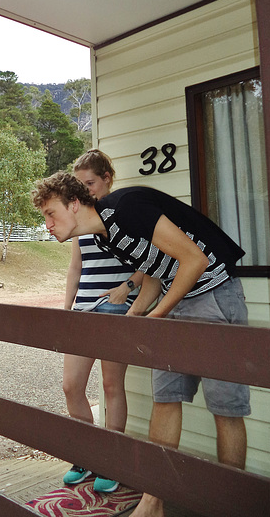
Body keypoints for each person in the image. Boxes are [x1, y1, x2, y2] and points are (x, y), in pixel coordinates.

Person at [32, 172, 250, 517]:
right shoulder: (105, 236)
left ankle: (231, 506)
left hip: (215, 294)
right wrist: (136, 318)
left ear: (74, 204)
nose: (47, 224)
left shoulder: (126, 208)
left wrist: (155, 317)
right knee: (165, 397)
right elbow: (154, 272)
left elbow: (195, 260)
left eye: (50, 213)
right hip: (173, 298)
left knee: (226, 408)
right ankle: (152, 502)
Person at [63, 150, 143, 493]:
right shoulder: (79, 218)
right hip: (83, 311)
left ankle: (112, 460)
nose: (84, 191)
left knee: (112, 387)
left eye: (90, 183)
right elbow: (75, 268)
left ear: (107, 178)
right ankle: (88, 454)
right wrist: (67, 309)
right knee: (71, 386)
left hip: (116, 312)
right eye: (79, 186)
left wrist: (127, 287)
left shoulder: (125, 215)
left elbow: (152, 261)